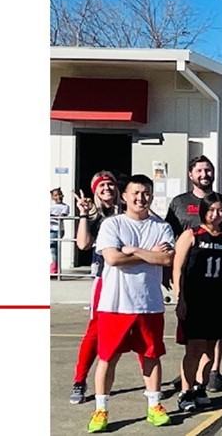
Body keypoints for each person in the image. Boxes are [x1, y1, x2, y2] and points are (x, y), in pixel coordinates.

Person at [86, 174, 175, 433]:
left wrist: (133, 250)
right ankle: (101, 410)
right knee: (107, 358)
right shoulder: (112, 225)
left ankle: (154, 407)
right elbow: (112, 259)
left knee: (151, 356)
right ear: (124, 196)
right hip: (115, 305)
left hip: (149, 304)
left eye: (146, 192)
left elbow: (166, 260)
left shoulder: (161, 226)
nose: (141, 197)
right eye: (135, 193)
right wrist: (150, 255)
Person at [164, 156, 222, 393]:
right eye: (199, 170)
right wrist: (175, 288)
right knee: (193, 346)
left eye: (208, 170)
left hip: (217, 293)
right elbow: (173, 250)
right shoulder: (182, 210)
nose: (204, 174)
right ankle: (187, 387)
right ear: (191, 174)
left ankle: (208, 377)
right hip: (193, 291)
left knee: (211, 344)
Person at [172, 194, 222, 412]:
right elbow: (177, 267)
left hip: (216, 300)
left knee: (211, 349)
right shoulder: (191, 235)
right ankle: (185, 391)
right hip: (195, 299)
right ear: (203, 211)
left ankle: (200, 386)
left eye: (220, 210)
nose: (216, 215)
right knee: (194, 349)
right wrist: (180, 298)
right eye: (212, 210)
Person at [68, 171, 123, 405]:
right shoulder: (94, 216)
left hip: (130, 276)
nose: (107, 189)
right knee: (95, 331)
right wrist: (83, 214)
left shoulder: (128, 211)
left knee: (140, 328)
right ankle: (80, 381)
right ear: (95, 191)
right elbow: (82, 244)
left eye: (110, 184)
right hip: (104, 277)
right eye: (102, 186)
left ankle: (153, 385)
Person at [51, 188, 70, 272]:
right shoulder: (50, 206)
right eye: (55, 195)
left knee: (54, 248)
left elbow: (61, 216)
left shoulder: (65, 206)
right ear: (52, 197)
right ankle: (53, 265)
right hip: (50, 228)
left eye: (60, 194)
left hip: (56, 229)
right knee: (51, 249)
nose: (58, 197)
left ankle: (55, 267)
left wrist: (51, 215)